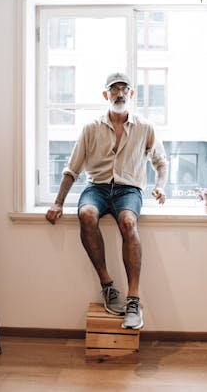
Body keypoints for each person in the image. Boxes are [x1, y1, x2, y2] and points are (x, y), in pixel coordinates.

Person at [45, 72, 168, 330]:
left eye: (124, 89)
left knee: (128, 222)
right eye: (114, 89)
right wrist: (58, 202)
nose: (120, 93)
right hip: (97, 188)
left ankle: (133, 301)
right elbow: (72, 168)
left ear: (131, 94)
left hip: (128, 190)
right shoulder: (91, 128)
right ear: (106, 95)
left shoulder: (145, 127)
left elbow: (161, 162)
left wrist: (159, 187)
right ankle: (107, 286)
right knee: (87, 214)